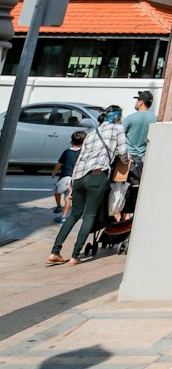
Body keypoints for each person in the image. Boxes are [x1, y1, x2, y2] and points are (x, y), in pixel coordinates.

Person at [48, 113, 128, 265]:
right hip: (97, 175)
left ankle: (55, 251)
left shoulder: (92, 134)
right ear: (117, 118)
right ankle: (75, 255)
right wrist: (125, 161)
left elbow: (80, 158)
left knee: (74, 215)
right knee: (89, 216)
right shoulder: (118, 129)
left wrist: (72, 184)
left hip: (78, 177)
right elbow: (123, 152)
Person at [52, 130, 84, 225]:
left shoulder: (67, 152)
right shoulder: (82, 153)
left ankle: (61, 211)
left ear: (71, 140)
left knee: (58, 192)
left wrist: (54, 172)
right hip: (75, 177)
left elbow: (59, 163)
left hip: (65, 177)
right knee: (68, 197)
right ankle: (63, 215)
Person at [123, 90, 156, 181]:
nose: (136, 103)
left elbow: (120, 136)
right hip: (143, 159)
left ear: (141, 102)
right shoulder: (155, 119)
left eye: (137, 100)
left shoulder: (130, 118)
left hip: (127, 159)